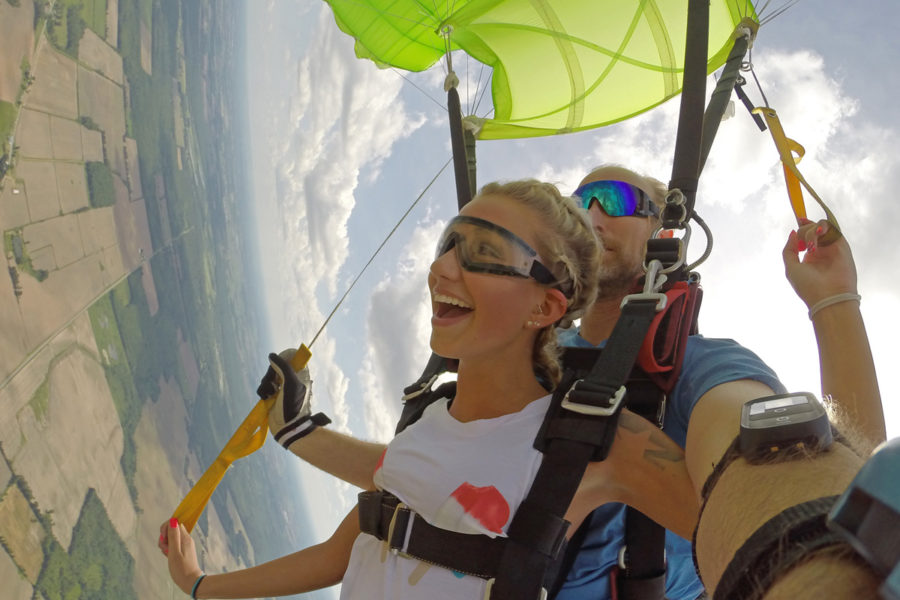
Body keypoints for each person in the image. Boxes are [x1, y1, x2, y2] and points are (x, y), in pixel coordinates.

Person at [259, 165, 886, 600]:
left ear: (664, 235)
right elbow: (424, 467)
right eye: (579, 200)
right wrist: (299, 432)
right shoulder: (534, 358)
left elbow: (794, 463)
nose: (590, 212)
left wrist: (834, 305)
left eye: (613, 199)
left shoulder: (696, 366)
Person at [160, 179, 699, 598]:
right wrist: (201, 585)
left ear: (545, 306)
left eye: (484, 251)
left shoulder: (593, 443)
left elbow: (761, 549)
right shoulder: (425, 424)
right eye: (449, 244)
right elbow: (338, 555)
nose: (440, 269)